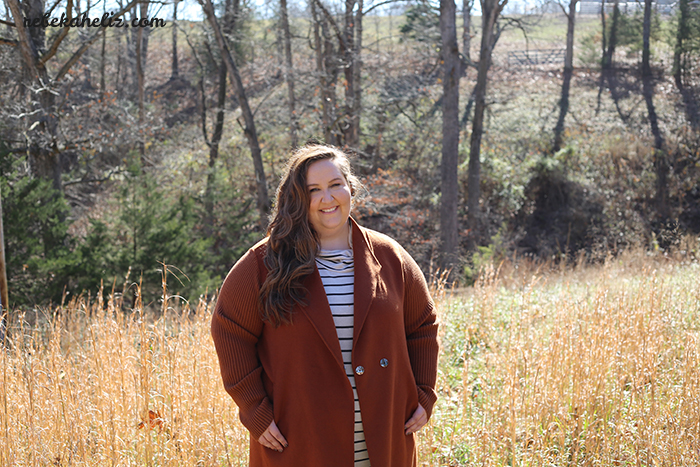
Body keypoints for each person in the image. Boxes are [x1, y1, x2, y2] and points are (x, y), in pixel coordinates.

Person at [211, 144, 439, 467]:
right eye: (313, 190)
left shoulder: (389, 257)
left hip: (384, 439)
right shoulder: (264, 264)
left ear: (350, 187)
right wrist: (254, 411)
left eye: (335, 185)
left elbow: (423, 324)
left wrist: (424, 393)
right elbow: (229, 330)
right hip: (301, 442)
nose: (327, 198)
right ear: (298, 199)